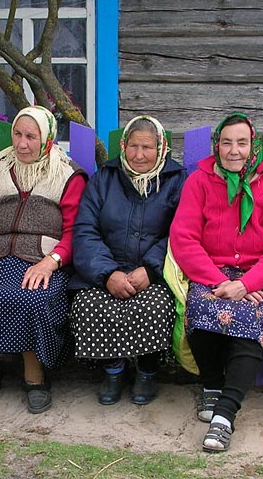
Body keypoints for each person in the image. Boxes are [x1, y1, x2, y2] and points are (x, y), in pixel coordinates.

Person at [165, 112, 263, 452]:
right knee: (201, 307)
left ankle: (224, 415)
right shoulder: (200, 181)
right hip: (210, 272)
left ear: (253, 147)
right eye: (226, 143)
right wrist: (219, 281)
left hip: (255, 277)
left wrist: (247, 284)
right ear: (217, 146)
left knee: (251, 319)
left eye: (241, 143)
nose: (234, 150)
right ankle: (211, 384)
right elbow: (184, 239)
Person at [0, 105, 87, 414]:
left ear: (47, 138)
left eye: (31, 136)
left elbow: (75, 231)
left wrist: (50, 262)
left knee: (33, 297)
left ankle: (35, 379)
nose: (22, 143)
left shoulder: (66, 175)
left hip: (44, 261)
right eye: (17, 134)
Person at [69, 115, 187, 406]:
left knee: (156, 305)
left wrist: (150, 269)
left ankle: (147, 372)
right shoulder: (105, 179)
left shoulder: (176, 181)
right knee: (89, 304)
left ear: (160, 149)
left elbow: (181, 232)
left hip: (153, 273)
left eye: (147, 147)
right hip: (106, 271)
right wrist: (108, 273)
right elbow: (85, 230)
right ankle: (113, 371)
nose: (138, 155)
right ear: (123, 146)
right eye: (133, 146)